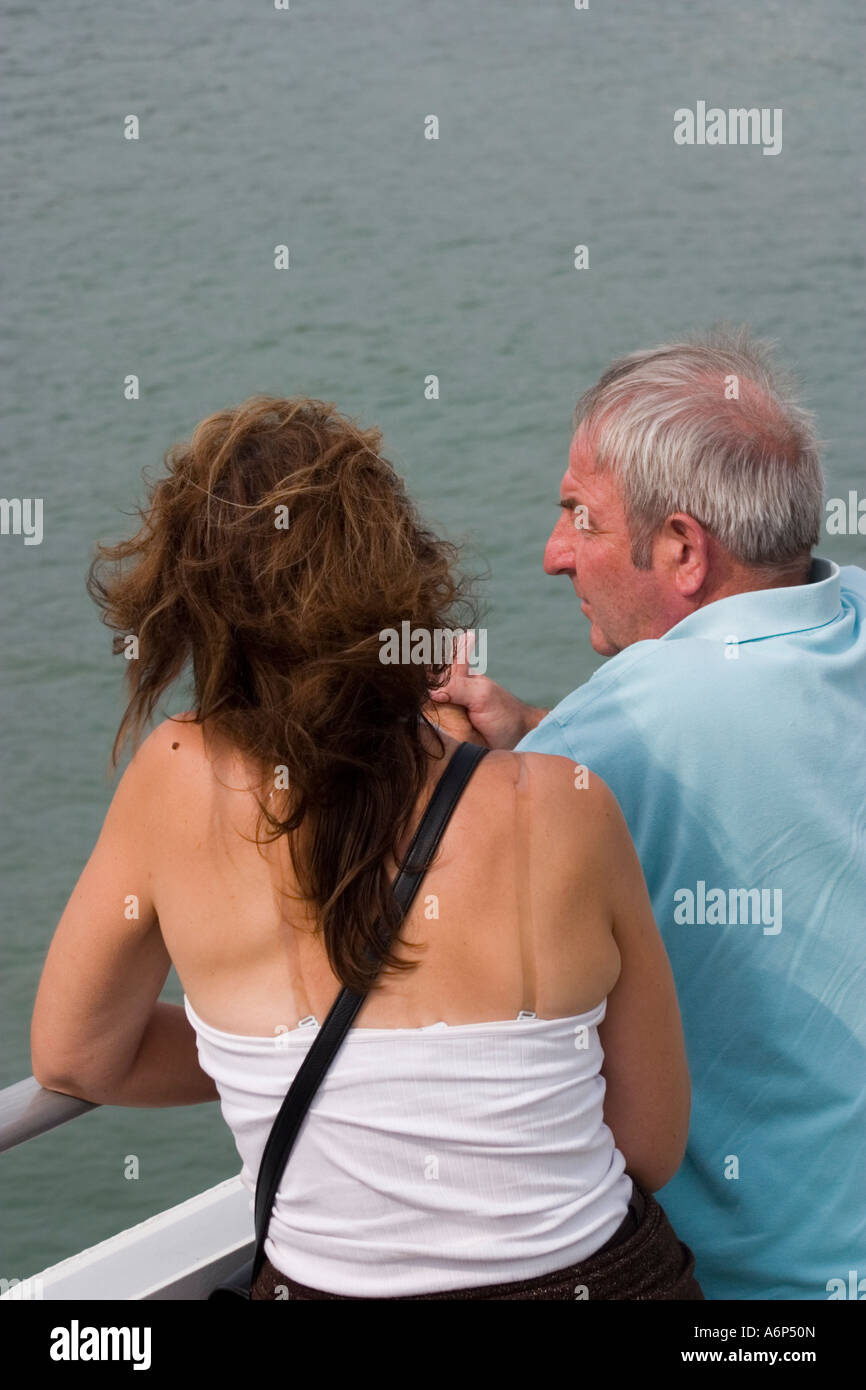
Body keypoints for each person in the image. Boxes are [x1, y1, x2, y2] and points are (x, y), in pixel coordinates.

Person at [29, 394, 702, 1300]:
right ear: (400, 576)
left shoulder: (171, 779)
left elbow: (78, 1057)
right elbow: (649, 1148)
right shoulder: (562, 805)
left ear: (192, 602)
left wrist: (255, 1046)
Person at [432, 327, 866, 1301]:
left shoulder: (615, 735)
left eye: (577, 516)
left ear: (679, 548)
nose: (553, 556)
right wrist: (535, 731)